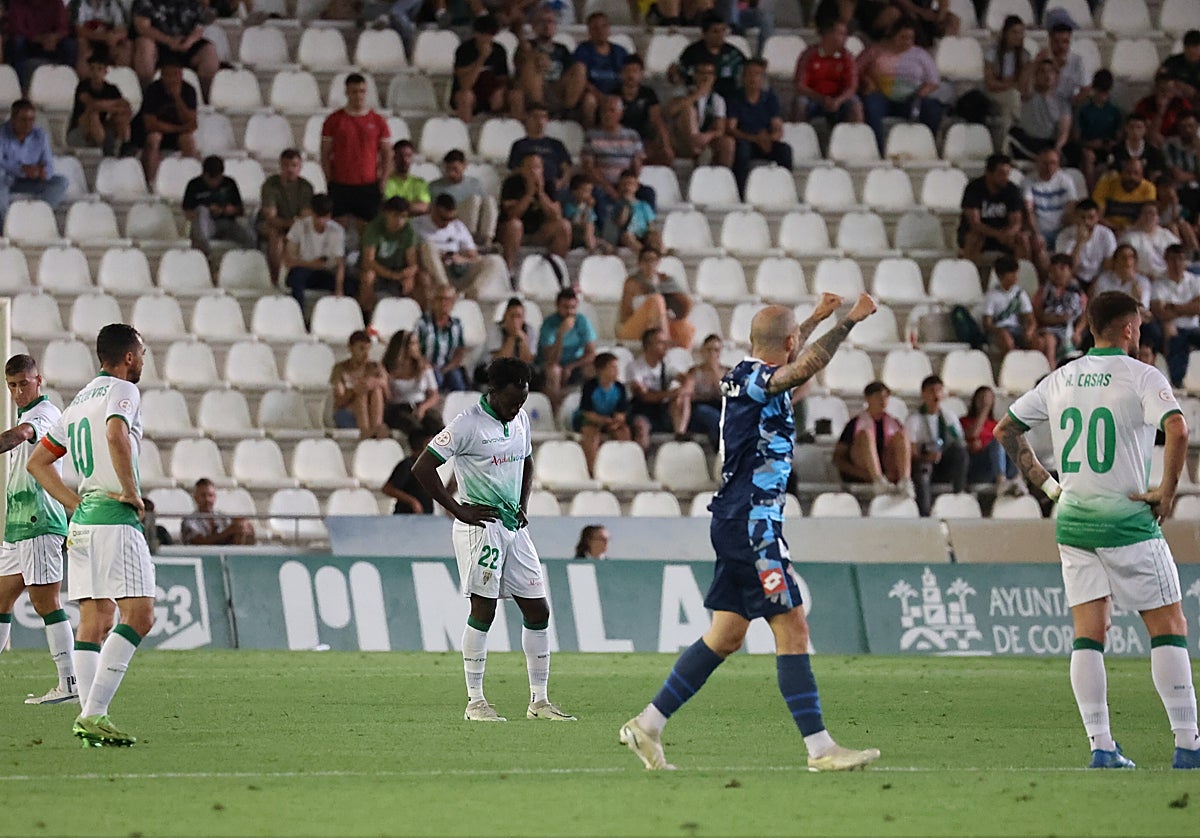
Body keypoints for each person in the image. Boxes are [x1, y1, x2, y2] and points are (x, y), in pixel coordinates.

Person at [619, 293, 881, 772]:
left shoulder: (742, 373)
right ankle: (820, 748)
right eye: (796, 339)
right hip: (753, 525)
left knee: (725, 635)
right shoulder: (764, 379)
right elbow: (797, 370)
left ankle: (648, 725)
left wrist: (815, 317)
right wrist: (846, 322)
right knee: (793, 626)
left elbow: (781, 350)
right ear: (790, 342)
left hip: (735, 520)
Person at [994, 291, 1200, 770]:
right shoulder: (1142, 375)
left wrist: (1048, 488)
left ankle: (1101, 746)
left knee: (1089, 634)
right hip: (1128, 522)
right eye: (1139, 324)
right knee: (1168, 626)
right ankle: (1189, 744)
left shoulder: (1061, 377)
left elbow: (1005, 428)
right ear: (1128, 328)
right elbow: (1179, 429)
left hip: (1074, 522)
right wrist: (1167, 491)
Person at [413, 357, 576, 723]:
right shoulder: (466, 423)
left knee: (538, 610)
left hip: (513, 527)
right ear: (493, 391)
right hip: (480, 526)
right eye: (511, 400)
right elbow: (422, 467)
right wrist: (458, 510)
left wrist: (522, 503)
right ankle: (475, 703)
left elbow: (527, 461)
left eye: (522, 400)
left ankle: (539, 702)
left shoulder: (518, 418)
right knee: (483, 611)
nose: (517, 407)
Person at [27, 324, 154, 747]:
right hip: (115, 519)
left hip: (82, 524)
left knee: (95, 619)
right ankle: (94, 712)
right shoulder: (124, 390)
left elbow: (38, 462)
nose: (142, 362)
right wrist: (132, 492)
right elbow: (117, 433)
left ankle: (88, 716)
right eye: (142, 355)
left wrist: (73, 503)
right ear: (130, 358)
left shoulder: (79, 401)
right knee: (140, 616)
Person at [0, 354, 74, 706]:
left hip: (39, 521)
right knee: (0, 598)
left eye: (23, 383)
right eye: (12, 385)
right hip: (17, 524)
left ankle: (69, 682)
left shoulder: (45, 415)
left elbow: (20, 436)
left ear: (38, 380)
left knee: (45, 602)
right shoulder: (26, 413)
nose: (17, 391)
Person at [858, 18, 942, 155]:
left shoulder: (920, 54)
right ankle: (877, 150)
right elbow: (855, 70)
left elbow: (933, 80)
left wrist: (923, 91)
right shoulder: (875, 51)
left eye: (910, 38)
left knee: (932, 108)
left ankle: (926, 147)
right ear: (893, 35)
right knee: (871, 106)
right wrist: (867, 80)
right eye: (903, 37)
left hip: (910, 98)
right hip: (881, 96)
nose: (907, 41)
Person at [321, 73, 392, 232]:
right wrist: (329, 179)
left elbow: (387, 154)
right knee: (337, 230)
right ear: (347, 93)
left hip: (368, 184)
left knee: (367, 232)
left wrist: (383, 181)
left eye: (361, 91)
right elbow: (325, 154)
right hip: (340, 184)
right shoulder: (333, 120)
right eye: (354, 91)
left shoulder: (378, 121)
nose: (358, 95)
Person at [415, 193, 508, 298]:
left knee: (494, 260)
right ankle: (445, 288)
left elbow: (473, 254)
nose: (447, 223)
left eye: (451, 219)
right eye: (443, 218)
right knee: (428, 246)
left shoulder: (457, 226)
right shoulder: (418, 225)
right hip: (435, 269)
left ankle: (471, 294)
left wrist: (461, 258)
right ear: (434, 210)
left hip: (458, 266)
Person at [832, 380, 913, 496]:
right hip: (862, 469)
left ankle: (905, 481)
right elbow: (838, 458)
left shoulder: (894, 423)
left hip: (888, 468)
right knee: (866, 435)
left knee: (902, 436)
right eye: (877, 396)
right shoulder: (855, 423)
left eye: (885, 396)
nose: (882, 400)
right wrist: (861, 474)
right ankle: (878, 480)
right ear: (868, 399)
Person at [582, 95, 654, 226]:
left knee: (648, 193)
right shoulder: (591, 135)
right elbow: (589, 167)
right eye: (604, 111)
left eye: (611, 110)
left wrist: (630, 186)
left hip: (625, 182)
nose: (607, 115)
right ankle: (605, 233)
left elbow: (637, 164)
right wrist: (610, 189)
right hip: (602, 183)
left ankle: (646, 230)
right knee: (596, 194)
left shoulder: (632, 136)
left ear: (620, 114)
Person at [0, 100, 69, 233]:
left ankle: (37, 218)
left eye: (32, 119)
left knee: (61, 182)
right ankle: (4, 227)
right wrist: (22, 169)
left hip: (31, 181)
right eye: (24, 119)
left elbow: (48, 164)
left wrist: (44, 173)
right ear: (13, 119)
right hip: (6, 180)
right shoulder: (1, 133)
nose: (28, 124)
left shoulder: (40, 135)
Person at [727, 58, 791, 199]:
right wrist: (754, 138)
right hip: (745, 140)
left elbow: (778, 127)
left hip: (765, 141)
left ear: (762, 78)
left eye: (757, 74)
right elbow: (731, 128)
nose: (753, 78)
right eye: (749, 74)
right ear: (743, 77)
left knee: (784, 150)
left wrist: (769, 138)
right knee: (742, 151)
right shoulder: (735, 98)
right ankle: (740, 193)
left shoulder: (770, 98)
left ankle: (786, 190)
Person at [905, 374, 967, 517]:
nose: (936, 395)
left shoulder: (949, 418)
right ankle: (925, 513)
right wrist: (927, 457)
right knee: (923, 471)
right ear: (924, 394)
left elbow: (959, 441)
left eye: (939, 390)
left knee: (961, 451)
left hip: (944, 462)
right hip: (924, 463)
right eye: (932, 390)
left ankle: (960, 494)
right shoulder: (914, 420)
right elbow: (912, 452)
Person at [497, 152, 571, 271]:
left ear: (542, 169)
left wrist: (541, 193)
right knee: (515, 225)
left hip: (538, 232)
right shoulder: (511, 183)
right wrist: (529, 194)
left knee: (564, 226)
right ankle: (508, 271)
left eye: (537, 168)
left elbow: (556, 216)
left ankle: (556, 270)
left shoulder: (549, 185)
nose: (533, 172)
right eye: (529, 168)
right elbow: (511, 214)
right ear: (522, 169)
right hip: (512, 232)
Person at [513, 5, 586, 121]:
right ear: (533, 26)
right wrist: (535, 56)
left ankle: (566, 112)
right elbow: (520, 72)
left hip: (556, 90)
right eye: (542, 21)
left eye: (550, 21)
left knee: (580, 67)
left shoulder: (562, 49)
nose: (547, 25)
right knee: (531, 61)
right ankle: (538, 109)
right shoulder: (526, 46)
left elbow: (569, 76)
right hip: (534, 91)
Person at [130, 0, 218, 95]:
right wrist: (169, 41)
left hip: (185, 43)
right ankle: (146, 94)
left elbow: (199, 27)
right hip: (157, 43)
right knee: (145, 46)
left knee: (209, 52)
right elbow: (142, 27)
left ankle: (205, 98)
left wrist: (189, 42)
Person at [958, 153, 1029, 265]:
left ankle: (1019, 276)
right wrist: (997, 234)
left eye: (1007, 173)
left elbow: (1016, 221)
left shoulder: (1012, 190)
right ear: (989, 173)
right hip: (981, 233)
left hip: (1004, 234)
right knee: (974, 238)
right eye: (1001, 174)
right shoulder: (974, 189)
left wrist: (1009, 233)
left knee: (1022, 239)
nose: (1005, 178)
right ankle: (969, 275)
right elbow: (975, 223)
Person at [627, 327, 693, 449]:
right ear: (648, 346)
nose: (666, 346)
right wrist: (670, 394)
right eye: (661, 343)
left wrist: (684, 390)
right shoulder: (635, 367)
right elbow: (645, 396)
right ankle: (640, 460)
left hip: (662, 411)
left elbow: (687, 379)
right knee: (641, 427)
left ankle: (680, 432)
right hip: (642, 410)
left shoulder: (666, 365)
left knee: (682, 396)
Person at [134, 56, 197, 183]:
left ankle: (189, 179)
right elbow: (150, 124)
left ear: (181, 74)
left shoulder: (188, 90)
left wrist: (177, 98)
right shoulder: (153, 90)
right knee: (154, 138)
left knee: (188, 140)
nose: (172, 79)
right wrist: (179, 128)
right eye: (168, 75)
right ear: (161, 75)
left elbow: (192, 123)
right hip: (154, 133)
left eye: (175, 74)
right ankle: (151, 182)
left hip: (174, 133)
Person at [616, 246, 693, 349]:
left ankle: (681, 360)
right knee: (656, 299)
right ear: (640, 263)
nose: (649, 264)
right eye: (646, 260)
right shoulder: (632, 282)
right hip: (633, 327)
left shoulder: (666, 280)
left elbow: (684, 304)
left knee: (685, 328)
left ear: (658, 262)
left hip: (662, 323)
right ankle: (663, 340)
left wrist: (667, 316)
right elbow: (625, 314)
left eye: (653, 260)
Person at [283, 193, 348, 308]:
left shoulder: (337, 231)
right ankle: (299, 315)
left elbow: (339, 263)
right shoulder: (299, 226)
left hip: (324, 273)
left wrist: (339, 288)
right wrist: (314, 264)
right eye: (318, 217)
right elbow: (289, 260)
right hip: (303, 272)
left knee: (350, 285)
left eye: (325, 217)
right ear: (312, 213)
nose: (322, 221)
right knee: (297, 277)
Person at [361, 196, 423, 314]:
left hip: (399, 269)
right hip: (378, 269)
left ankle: (417, 316)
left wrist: (408, 275)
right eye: (395, 215)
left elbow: (413, 263)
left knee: (421, 279)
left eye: (403, 217)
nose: (399, 221)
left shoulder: (409, 230)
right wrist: (391, 275)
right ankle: (368, 315)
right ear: (386, 214)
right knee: (368, 277)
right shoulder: (374, 227)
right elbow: (368, 260)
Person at [792, 19, 861, 126]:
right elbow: (800, 85)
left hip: (838, 100)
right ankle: (800, 136)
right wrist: (821, 98)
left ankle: (855, 140)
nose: (845, 38)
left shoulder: (847, 57)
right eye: (840, 34)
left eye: (845, 34)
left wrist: (838, 100)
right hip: (814, 99)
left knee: (855, 104)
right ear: (828, 34)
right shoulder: (809, 55)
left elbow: (852, 87)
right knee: (800, 103)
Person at [259, 149, 315, 281]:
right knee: (275, 236)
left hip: (295, 226)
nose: (290, 169)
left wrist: (293, 226)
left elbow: (305, 216)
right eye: (286, 165)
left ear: (300, 167)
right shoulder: (270, 185)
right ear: (280, 166)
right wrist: (292, 223)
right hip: (272, 225)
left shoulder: (306, 187)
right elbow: (271, 218)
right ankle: (275, 278)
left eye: (294, 166)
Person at [538, 288, 596, 413]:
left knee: (594, 368)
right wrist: (560, 335)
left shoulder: (582, 321)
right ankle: (555, 412)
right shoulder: (549, 324)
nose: (570, 311)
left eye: (573, 307)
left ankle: (589, 409)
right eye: (565, 307)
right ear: (557, 306)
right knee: (554, 371)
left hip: (574, 364)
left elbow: (591, 353)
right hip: (551, 365)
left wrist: (571, 367)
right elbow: (551, 359)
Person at [667, 58, 734, 167]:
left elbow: (720, 129)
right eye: (702, 73)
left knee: (728, 143)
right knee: (689, 110)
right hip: (680, 140)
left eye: (709, 73)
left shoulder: (717, 99)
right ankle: (697, 149)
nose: (705, 77)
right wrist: (699, 93)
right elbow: (671, 111)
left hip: (704, 140)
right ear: (694, 75)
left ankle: (723, 177)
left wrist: (707, 136)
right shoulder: (682, 92)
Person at [67, 46, 133, 156]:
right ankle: (106, 152)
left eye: (99, 69)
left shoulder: (111, 89)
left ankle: (125, 147)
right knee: (93, 113)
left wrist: (113, 108)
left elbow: (126, 106)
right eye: (92, 68)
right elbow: (92, 104)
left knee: (121, 115)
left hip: (100, 128)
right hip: (80, 131)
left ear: (105, 71)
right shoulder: (83, 86)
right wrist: (113, 105)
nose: (96, 73)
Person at [1151, 244, 1200, 388]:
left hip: (1194, 327)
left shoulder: (1195, 280)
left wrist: (1173, 306)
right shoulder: (1159, 284)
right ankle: (1177, 384)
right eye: (1172, 259)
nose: (1176, 263)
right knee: (1175, 340)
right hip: (1172, 328)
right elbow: (1160, 312)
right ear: (1166, 260)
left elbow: (1199, 308)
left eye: (1180, 259)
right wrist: (1189, 306)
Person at [574, 351, 631, 475]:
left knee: (623, 433)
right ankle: (592, 471)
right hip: (590, 420)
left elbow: (621, 413)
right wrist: (606, 421)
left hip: (610, 421)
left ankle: (623, 469)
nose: (617, 371)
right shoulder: (590, 386)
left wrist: (615, 422)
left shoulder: (620, 388)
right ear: (601, 370)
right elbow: (587, 413)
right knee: (592, 436)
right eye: (612, 367)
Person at [182, 155, 255, 253]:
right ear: (204, 174)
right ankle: (205, 254)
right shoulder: (194, 185)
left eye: (217, 178)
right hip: (204, 225)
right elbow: (187, 211)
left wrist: (226, 210)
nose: (214, 182)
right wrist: (206, 211)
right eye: (211, 179)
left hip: (226, 223)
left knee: (248, 234)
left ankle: (251, 257)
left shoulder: (229, 183)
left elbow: (240, 210)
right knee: (202, 211)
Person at [1024, 147, 1078, 276]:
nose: (1049, 167)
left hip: (1062, 228)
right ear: (1038, 163)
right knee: (1039, 249)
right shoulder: (1028, 181)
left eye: (1053, 163)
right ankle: (1048, 281)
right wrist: (1035, 233)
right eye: (1045, 163)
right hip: (1040, 229)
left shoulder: (1066, 180)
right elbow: (1029, 210)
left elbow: (1071, 207)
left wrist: (1064, 230)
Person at [1009, 58, 1073, 165]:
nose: (1047, 75)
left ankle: (1047, 159)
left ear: (1056, 76)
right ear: (1036, 76)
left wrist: (1057, 148)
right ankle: (1042, 159)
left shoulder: (1062, 102)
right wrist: (1035, 62)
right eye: (1042, 71)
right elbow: (1023, 85)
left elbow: (1064, 130)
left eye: (1050, 71)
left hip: (1048, 144)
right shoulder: (1029, 95)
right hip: (1028, 141)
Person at [960, 385, 1022, 494]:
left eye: (988, 399)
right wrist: (984, 409)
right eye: (981, 398)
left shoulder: (996, 424)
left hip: (998, 467)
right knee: (998, 441)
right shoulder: (965, 421)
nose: (984, 401)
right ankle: (1001, 480)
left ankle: (1018, 481)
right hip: (977, 466)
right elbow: (973, 434)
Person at [381, 330, 444, 437]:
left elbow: (434, 394)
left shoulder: (424, 367)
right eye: (413, 343)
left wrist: (423, 408)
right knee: (414, 427)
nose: (416, 347)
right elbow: (388, 398)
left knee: (435, 424)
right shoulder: (387, 368)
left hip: (420, 404)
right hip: (398, 408)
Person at [451, 14, 513, 124]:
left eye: (490, 34)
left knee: (514, 95)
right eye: (484, 34)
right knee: (465, 96)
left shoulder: (499, 50)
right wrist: (482, 58)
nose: (487, 38)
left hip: (490, 92)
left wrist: (500, 91)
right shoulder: (464, 50)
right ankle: (464, 130)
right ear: (476, 33)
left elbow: (503, 78)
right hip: (470, 93)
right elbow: (465, 85)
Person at [672, 12, 746, 103]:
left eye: (723, 30)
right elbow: (680, 76)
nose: (720, 35)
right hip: (698, 96)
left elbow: (745, 72)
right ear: (704, 33)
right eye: (715, 31)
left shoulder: (733, 53)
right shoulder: (692, 52)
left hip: (729, 97)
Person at [572, 12, 629, 128]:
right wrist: (601, 97)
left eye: (604, 26)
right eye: (595, 28)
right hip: (593, 94)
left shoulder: (620, 51)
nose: (600, 31)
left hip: (617, 94)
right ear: (589, 31)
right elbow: (581, 79)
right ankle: (590, 134)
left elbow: (627, 75)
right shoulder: (583, 50)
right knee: (589, 101)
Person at [330, 329, 389, 438]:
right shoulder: (340, 369)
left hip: (373, 414)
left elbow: (389, 397)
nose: (366, 354)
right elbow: (338, 401)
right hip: (348, 413)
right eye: (361, 349)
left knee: (376, 389)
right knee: (361, 392)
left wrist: (378, 382)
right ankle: (366, 431)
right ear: (351, 348)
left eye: (368, 349)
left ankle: (376, 428)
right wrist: (354, 390)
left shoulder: (375, 367)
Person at [617, 55, 674, 167]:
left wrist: (666, 146)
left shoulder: (648, 94)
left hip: (643, 139)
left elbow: (657, 120)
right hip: (620, 139)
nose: (631, 75)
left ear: (641, 74)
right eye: (627, 71)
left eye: (635, 71)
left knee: (663, 154)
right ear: (622, 73)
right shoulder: (614, 94)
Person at [507, 103, 572, 198]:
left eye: (543, 117)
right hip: (528, 186)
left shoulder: (556, 144)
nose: (540, 121)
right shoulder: (519, 145)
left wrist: (561, 183)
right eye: (535, 117)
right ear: (528, 118)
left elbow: (566, 169)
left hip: (554, 186)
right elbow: (515, 169)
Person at [429, 148, 494, 244]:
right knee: (474, 200)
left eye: (455, 169)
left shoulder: (474, 184)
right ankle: (468, 239)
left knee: (489, 200)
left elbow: (484, 208)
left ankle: (488, 239)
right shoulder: (435, 187)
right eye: (448, 169)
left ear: (464, 166)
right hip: (451, 217)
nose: (451, 173)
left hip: (474, 220)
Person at [1034, 253, 1088, 368]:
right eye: (1054, 270)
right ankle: (1051, 371)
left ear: (1070, 271)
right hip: (1048, 328)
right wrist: (1056, 319)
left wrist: (1077, 332)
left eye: (1062, 269)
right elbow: (1038, 313)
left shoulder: (1078, 292)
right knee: (1048, 340)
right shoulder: (1044, 291)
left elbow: (1085, 315)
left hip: (1071, 329)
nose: (1058, 273)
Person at [6, 0, 76, 88]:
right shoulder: (17, 3)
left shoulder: (56, 2)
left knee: (70, 45)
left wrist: (54, 37)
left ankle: (69, 83)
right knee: (18, 42)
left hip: (51, 43)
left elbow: (63, 28)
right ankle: (20, 86)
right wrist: (40, 39)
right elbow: (16, 29)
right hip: (29, 42)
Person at [984, 15, 1029, 143]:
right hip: (995, 94)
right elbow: (990, 83)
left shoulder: (1025, 56)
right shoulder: (992, 53)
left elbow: (1022, 85)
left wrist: (1007, 83)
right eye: (1014, 32)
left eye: (1020, 33)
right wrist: (1011, 83)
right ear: (1005, 33)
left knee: (1008, 112)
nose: (1018, 36)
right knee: (1013, 97)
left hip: (1014, 95)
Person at [1076, 69, 1122, 193]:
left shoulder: (1115, 110)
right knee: (1088, 156)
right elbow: (1076, 137)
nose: (1103, 95)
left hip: (1108, 148)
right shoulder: (1084, 109)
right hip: (1088, 147)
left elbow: (1119, 135)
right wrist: (1090, 144)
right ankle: (1092, 193)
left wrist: (1112, 143)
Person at [1055, 198, 1118, 290]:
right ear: (1075, 217)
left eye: (1091, 217)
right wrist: (1079, 243)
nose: (1086, 222)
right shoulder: (1064, 235)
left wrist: (1097, 283)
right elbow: (1068, 269)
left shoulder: (1106, 234)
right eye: (1082, 217)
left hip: (1099, 278)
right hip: (1075, 277)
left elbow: (1108, 266)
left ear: (1097, 217)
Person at [417, 286, 469, 393]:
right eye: (440, 299)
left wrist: (448, 368)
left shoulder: (457, 324)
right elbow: (415, 349)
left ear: (453, 303)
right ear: (434, 301)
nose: (444, 303)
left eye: (448, 299)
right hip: (427, 367)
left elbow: (460, 350)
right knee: (436, 379)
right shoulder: (422, 324)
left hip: (448, 367)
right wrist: (426, 365)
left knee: (457, 379)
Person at [983, 255, 1036, 356]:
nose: (1015, 276)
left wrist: (1030, 330)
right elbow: (987, 323)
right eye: (1011, 273)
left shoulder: (1020, 293)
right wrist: (1000, 331)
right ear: (1001, 276)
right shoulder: (992, 295)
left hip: (1016, 329)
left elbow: (1031, 319)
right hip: (998, 332)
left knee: (1037, 341)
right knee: (1006, 339)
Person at [179, 478, 255, 546]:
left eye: (210, 495)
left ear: (215, 497)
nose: (207, 499)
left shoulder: (222, 517)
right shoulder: (189, 520)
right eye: (203, 495)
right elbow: (200, 542)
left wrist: (242, 527)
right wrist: (229, 531)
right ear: (195, 497)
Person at [605, 169, 662, 255]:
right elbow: (620, 223)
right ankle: (644, 254)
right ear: (619, 186)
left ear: (636, 186)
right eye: (624, 184)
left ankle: (660, 253)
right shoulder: (617, 205)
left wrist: (652, 233)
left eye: (630, 184)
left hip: (642, 233)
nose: (627, 187)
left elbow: (650, 224)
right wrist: (625, 205)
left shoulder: (644, 205)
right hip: (626, 234)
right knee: (627, 236)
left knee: (655, 235)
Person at [1133, 71, 1193, 149]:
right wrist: (1161, 111)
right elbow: (1146, 134)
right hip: (1152, 144)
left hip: (1177, 144)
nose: (1165, 94)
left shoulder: (1181, 103)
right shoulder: (1144, 104)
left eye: (1169, 90)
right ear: (1155, 89)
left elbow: (1190, 128)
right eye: (1162, 90)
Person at [1036, 22, 1087, 112]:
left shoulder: (1076, 61)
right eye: (1057, 42)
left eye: (1065, 42)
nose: (1061, 46)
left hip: (1067, 106)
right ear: (1050, 41)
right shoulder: (1042, 59)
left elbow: (1085, 88)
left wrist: (1073, 102)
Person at [382, 431, 437, 515]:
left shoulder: (428, 466)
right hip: (407, 515)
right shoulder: (407, 465)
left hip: (426, 515)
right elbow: (388, 488)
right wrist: (412, 501)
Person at [1121, 203, 1181, 280]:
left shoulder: (1166, 235)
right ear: (1139, 217)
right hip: (1142, 279)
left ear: (1158, 218)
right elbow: (1124, 264)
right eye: (1145, 213)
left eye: (1153, 213)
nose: (1149, 216)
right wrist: (1145, 276)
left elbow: (1180, 255)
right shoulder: (1129, 238)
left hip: (1169, 278)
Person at [74, 0, 133, 74]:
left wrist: (114, 37)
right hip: (89, 39)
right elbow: (79, 30)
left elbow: (123, 29)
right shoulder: (79, 3)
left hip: (109, 40)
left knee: (126, 45)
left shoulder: (114, 3)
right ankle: (85, 81)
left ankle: (121, 79)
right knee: (82, 43)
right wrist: (103, 37)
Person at [1110, 115, 1166, 185]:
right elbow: (1112, 170)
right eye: (1131, 127)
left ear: (1145, 130)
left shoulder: (1153, 152)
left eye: (1139, 127)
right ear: (1126, 128)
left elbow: (1158, 171)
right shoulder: (1116, 150)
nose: (1135, 131)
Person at [382, 139, 431, 215]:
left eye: (408, 156)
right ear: (394, 157)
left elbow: (424, 207)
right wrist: (412, 206)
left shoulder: (420, 183)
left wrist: (399, 208)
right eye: (401, 155)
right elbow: (387, 207)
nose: (405, 160)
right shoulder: (386, 182)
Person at [563, 173, 601, 252]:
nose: (588, 194)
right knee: (588, 226)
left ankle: (593, 244)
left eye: (590, 191)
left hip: (590, 234)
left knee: (591, 229)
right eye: (585, 191)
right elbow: (576, 222)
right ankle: (592, 249)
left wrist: (589, 208)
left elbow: (592, 221)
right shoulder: (570, 206)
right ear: (574, 192)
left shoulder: (589, 207)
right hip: (575, 234)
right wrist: (588, 208)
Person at [1162, 29, 1200, 104]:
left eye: (1195, 48)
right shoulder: (1172, 62)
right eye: (1188, 47)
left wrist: (1195, 93)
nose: (1192, 51)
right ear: (1184, 47)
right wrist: (1176, 85)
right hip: (1176, 102)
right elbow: (1160, 80)